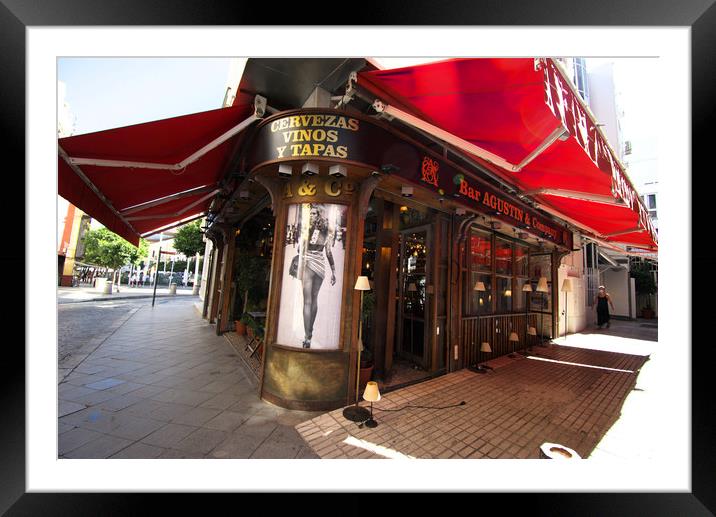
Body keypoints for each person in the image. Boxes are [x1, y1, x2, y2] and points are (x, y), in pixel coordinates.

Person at [291, 204, 336, 349]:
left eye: (313, 214)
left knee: (307, 301)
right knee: (313, 300)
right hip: (321, 267)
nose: (311, 216)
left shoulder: (307, 230)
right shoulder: (326, 230)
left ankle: (307, 337)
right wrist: (334, 271)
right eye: (310, 213)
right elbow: (328, 252)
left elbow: (300, 249)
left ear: (318, 216)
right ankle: (310, 332)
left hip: (309, 264)